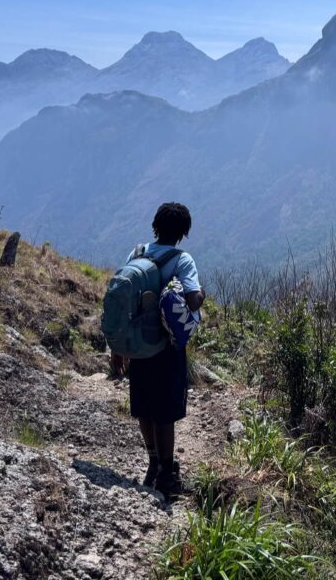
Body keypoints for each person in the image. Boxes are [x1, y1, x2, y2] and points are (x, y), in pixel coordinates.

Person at [127, 202, 205, 499]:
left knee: (144, 408)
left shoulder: (137, 253)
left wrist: (118, 348)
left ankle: (151, 462)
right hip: (167, 349)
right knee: (165, 415)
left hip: (137, 346)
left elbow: (125, 300)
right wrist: (202, 295)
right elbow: (193, 300)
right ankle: (166, 473)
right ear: (184, 233)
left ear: (155, 226)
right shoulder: (182, 260)